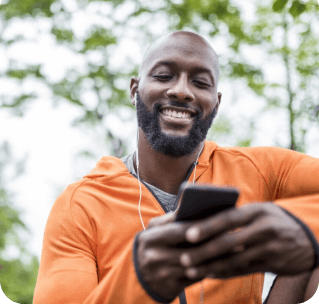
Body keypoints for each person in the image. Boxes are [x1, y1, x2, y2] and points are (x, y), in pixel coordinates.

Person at [33, 31, 319, 304]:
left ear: (216, 104)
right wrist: (139, 279)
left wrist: (304, 227)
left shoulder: (261, 169)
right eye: (163, 76)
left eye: (201, 83)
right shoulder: (80, 206)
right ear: (135, 90)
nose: (181, 91)